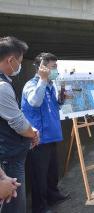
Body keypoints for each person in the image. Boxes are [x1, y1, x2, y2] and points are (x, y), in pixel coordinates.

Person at [21, 53, 70, 213]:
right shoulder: (31, 85)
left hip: (52, 136)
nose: (56, 70)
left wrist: (61, 101)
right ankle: (40, 207)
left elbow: (52, 109)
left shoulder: (50, 86)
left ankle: (53, 196)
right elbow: (34, 102)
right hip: (38, 139)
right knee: (39, 176)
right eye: (53, 66)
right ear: (41, 68)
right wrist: (42, 80)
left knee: (51, 172)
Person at [0, 36, 40, 213]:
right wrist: (32, 134)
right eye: (20, 61)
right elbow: (18, 122)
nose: (19, 66)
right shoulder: (2, 87)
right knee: (14, 207)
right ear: (11, 60)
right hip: (9, 157)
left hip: (9, 153)